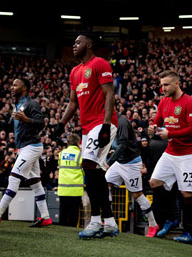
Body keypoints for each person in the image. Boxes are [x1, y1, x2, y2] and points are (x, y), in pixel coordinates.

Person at [58, 34, 118, 239]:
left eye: (78, 42)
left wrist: (106, 125)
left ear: (89, 45)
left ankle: (95, 221)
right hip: (86, 128)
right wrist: (60, 124)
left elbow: (109, 93)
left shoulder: (100, 64)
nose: (74, 45)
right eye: (73, 43)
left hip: (102, 123)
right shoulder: (75, 72)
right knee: (95, 171)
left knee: (88, 164)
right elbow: (73, 103)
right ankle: (109, 222)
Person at [0, 78, 52, 227]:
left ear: (25, 88)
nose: (11, 87)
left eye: (15, 85)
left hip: (32, 147)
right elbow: (13, 126)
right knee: (35, 182)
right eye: (12, 85)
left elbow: (41, 123)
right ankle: (46, 217)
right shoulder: (18, 104)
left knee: (14, 177)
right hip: (24, 147)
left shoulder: (31, 103)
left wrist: (27, 119)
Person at [148, 70, 192, 245]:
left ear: (177, 83)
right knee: (154, 182)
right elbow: (157, 120)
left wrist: (171, 134)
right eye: (161, 85)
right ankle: (171, 218)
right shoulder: (163, 102)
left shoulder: (190, 102)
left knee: (187, 193)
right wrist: (152, 127)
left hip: (188, 154)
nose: (162, 88)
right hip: (171, 153)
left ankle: (189, 233)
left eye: (166, 85)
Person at [105, 114, 158, 237]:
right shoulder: (108, 123)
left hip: (131, 164)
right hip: (119, 162)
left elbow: (123, 144)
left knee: (137, 195)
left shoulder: (121, 122)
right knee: (105, 184)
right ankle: (109, 221)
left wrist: (108, 163)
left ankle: (153, 224)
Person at [57, 134, 83, 227]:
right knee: (73, 215)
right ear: (77, 143)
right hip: (75, 190)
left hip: (63, 189)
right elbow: (83, 170)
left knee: (63, 214)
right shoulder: (80, 155)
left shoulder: (61, 154)